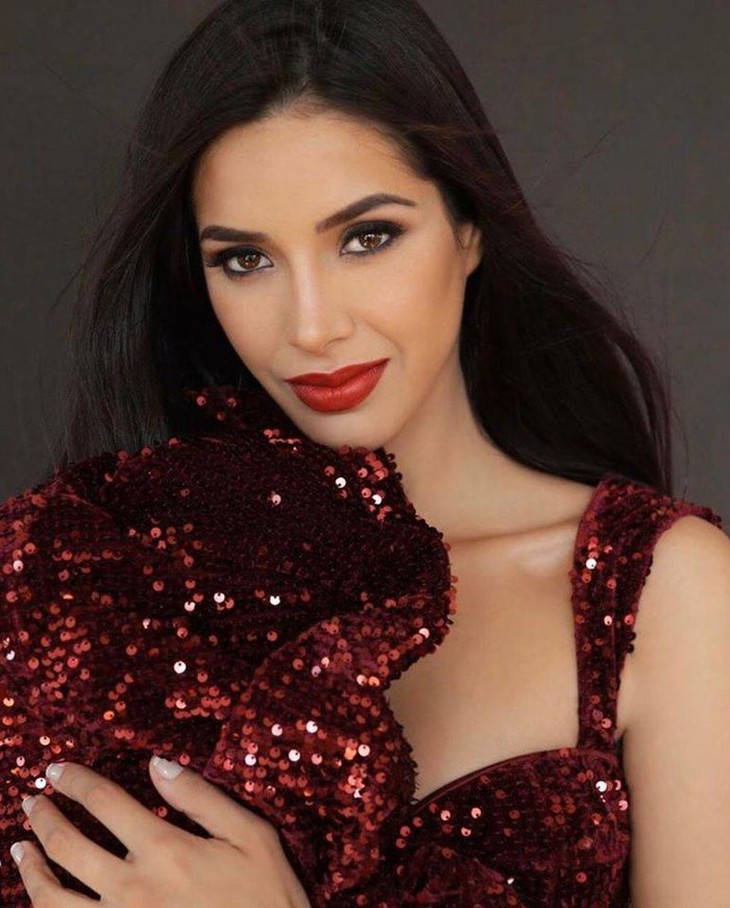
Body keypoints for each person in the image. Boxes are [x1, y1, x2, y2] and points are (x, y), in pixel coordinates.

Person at [1, 0, 728, 905]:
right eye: (245, 260)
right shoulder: (103, 580)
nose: (312, 326)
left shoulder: (659, 588)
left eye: (367, 238)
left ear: (469, 227)